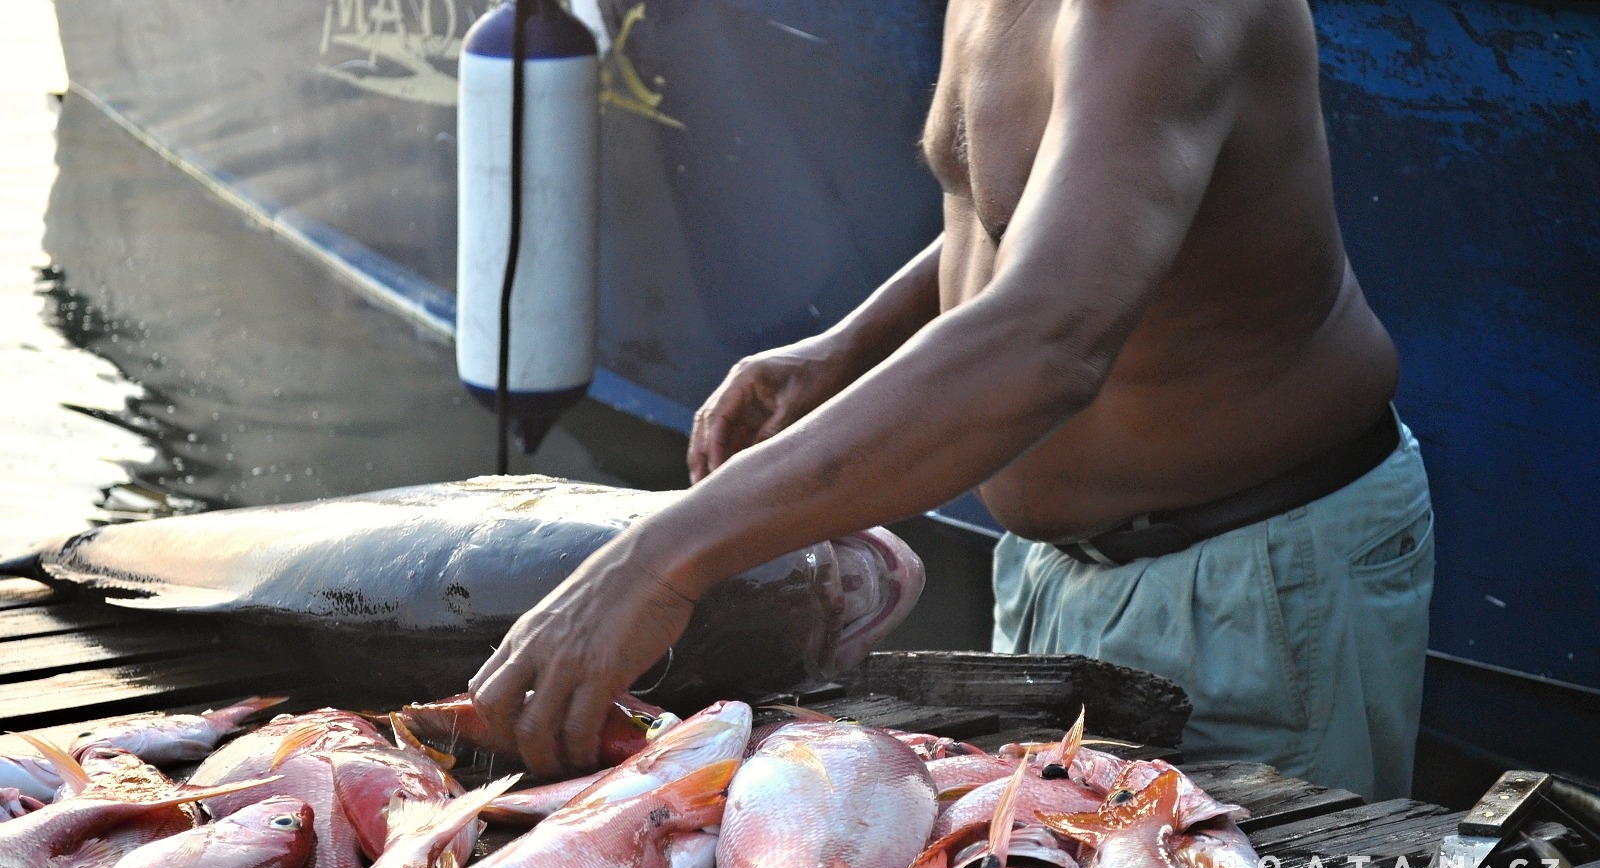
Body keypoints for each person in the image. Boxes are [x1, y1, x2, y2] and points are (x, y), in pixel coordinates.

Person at [470, 0, 1434, 800]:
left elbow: (1051, 336)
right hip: (1058, 573)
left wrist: (659, 560)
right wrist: (846, 347)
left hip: (1246, 586)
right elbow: (1030, 202)